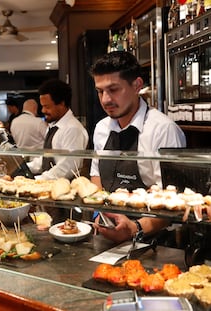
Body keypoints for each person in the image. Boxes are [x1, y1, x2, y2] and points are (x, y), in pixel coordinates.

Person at [89, 51, 186, 243]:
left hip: (153, 240)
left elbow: (173, 199)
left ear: (137, 86)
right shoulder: (101, 128)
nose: (105, 100)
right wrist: (100, 214)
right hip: (107, 232)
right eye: (100, 91)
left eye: (113, 89)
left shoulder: (163, 130)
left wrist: (135, 228)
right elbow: (96, 176)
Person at [27, 78, 89, 180]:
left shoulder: (72, 129)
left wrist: (37, 181)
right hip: (48, 184)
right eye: (42, 106)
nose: (43, 110)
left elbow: (67, 168)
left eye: (47, 106)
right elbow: (45, 160)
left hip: (64, 188)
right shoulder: (53, 126)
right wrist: (24, 168)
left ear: (62, 103)